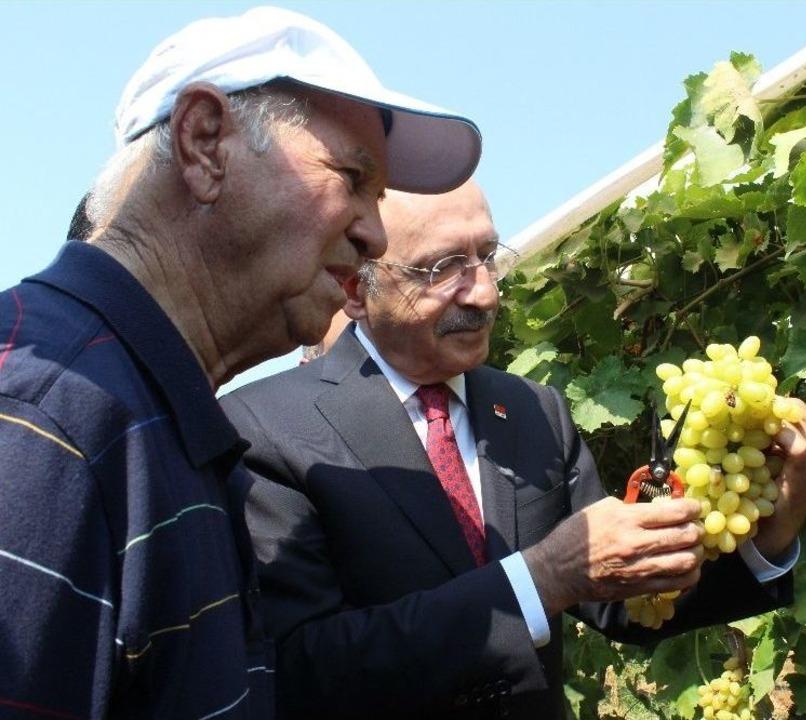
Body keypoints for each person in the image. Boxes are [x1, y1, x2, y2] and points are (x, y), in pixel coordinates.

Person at [0, 6, 481, 719]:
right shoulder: (45, 416)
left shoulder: (154, 414)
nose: (376, 236)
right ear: (204, 144)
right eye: (352, 177)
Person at [222, 181, 806, 719]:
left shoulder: (535, 411)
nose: (485, 294)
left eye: (487, 257)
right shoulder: (265, 429)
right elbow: (302, 669)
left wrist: (772, 531)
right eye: (442, 269)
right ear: (357, 289)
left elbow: (629, 607)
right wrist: (541, 579)